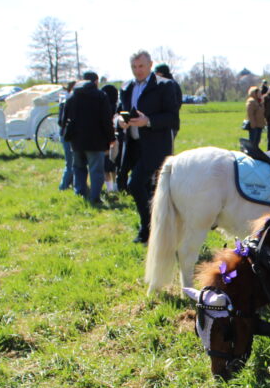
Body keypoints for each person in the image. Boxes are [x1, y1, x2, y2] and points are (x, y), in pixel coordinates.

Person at [117, 49, 182, 243]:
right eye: (134, 67)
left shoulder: (165, 86)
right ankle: (156, 227)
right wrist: (119, 120)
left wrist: (148, 120)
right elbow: (119, 111)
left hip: (155, 146)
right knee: (141, 187)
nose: (138, 71)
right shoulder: (127, 87)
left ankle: (149, 228)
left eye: (141, 66)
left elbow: (172, 118)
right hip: (133, 145)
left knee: (134, 184)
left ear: (150, 65)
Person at [63, 71, 114, 206]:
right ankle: (95, 197)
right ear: (95, 82)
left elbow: (63, 119)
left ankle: (80, 194)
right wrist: (111, 138)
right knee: (96, 170)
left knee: (79, 168)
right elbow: (106, 120)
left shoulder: (72, 97)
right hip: (96, 141)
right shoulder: (101, 96)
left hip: (76, 141)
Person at [154, 63, 182, 143]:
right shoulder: (166, 83)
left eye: (157, 73)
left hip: (169, 124)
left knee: (166, 151)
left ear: (162, 73)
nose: (155, 75)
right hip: (164, 123)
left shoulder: (170, 85)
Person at [57, 81, 76, 191]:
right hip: (67, 135)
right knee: (70, 164)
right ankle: (63, 187)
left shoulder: (66, 100)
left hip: (66, 135)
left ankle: (72, 185)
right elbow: (61, 121)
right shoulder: (66, 101)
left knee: (72, 163)